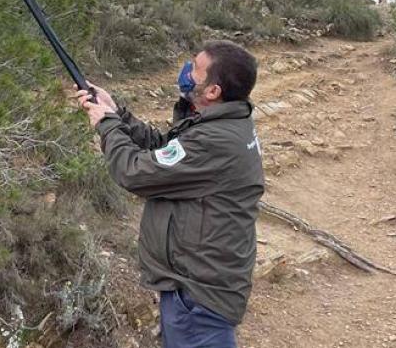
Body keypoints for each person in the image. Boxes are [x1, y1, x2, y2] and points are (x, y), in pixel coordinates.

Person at [74, 40, 264, 348]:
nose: (187, 72)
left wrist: (107, 125)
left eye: (196, 69)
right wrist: (117, 113)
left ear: (213, 91)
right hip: (200, 286)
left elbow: (133, 171)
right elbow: (167, 150)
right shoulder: (226, 122)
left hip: (199, 297)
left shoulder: (214, 139)